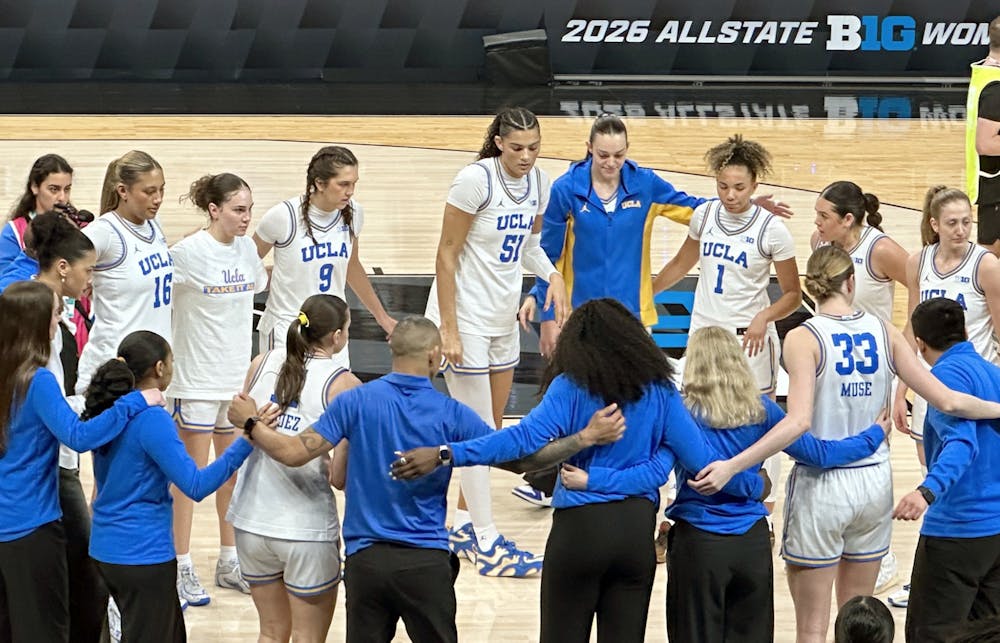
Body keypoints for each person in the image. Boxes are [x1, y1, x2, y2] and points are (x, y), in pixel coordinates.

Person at [393, 300, 773, 643]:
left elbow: (518, 442)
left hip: (579, 534)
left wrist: (447, 453)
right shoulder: (661, 391)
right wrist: (753, 485)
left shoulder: (570, 387)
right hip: (634, 540)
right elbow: (704, 465)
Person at [227, 315, 618, 643]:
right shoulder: (452, 412)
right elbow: (522, 462)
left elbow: (294, 453)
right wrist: (584, 438)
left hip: (366, 564)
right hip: (425, 565)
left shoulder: (355, 400)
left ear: (392, 351)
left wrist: (249, 423)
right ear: (434, 356)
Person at [688, 246, 1000, 643]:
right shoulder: (885, 330)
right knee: (859, 622)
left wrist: (733, 465)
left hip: (823, 486)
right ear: (851, 282)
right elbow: (950, 401)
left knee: (813, 629)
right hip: (873, 484)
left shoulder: (803, 337)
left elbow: (798, 422)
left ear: (811, 287)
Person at [573, 326, 884, 643]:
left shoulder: (681, 413)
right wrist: (874, 436)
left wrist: (592, 475)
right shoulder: (761, 409)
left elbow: (652, 472)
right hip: (752, 544)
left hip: (699, 545)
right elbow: (819, 454)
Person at [425, 106, 568, 576]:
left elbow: (529, 246)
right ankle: (487, 543)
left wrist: (552, 277)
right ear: (500, 143)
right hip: (464, 316)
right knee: (478, 432)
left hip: (502, 316)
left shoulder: (540, 182)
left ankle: (465, 522)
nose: (526, 156)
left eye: (534, 147)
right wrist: (447, 329)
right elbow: (446, 255)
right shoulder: (475, 181)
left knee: (494, 427)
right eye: (517, 148)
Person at [651, 134, 801, 547]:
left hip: (749, 341)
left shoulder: (773, 230)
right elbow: (684, 261)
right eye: (723, 186)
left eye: (739, 187)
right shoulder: (704, 215)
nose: (730, 195)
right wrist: (648, 293)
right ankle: (674, 510)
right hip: (704, 337)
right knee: (687, 420)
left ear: (754, 185)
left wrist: (764, 316)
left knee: (758, 423)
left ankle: (762, 515)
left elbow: (793, 294)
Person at [0, 281, 158, 643]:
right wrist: (134, 401)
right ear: (37, 323)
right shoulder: (36, 379)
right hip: (31, 527)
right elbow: (78, 436)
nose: (62, 320)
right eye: (56, 313)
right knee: (43, 629)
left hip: (5, 522)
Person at [86, 331, 255, 643]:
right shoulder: (152, 420)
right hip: (142, 555)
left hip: (104, 550)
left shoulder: (109, 411)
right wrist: (245, 441)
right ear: (160, 368)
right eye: (173, 360)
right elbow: (195, 484)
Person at [888, 185, 1000, 607]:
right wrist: (902, 387)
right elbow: (911, 330)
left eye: (967, 222)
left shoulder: (986, 265)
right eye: (952, 223)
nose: (961, 230)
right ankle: (930, 574)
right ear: (934, 224)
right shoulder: (919, 262)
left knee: (973, 475)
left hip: (974, 384)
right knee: (936, 472)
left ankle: (974, 572)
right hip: (931, 387)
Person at [227, 294, 359, 642]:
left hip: (250, 521)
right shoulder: (344, 384)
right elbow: (340, 478)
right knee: (307, 637)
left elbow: (243, 423)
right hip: (305, 529)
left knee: (270, 633)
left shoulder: (261, 362)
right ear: (337, 337)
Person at [167, 173, 268, 606]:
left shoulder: (246, 248)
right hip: (193, 379)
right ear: (214, 210)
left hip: (233, 381)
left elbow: (257, 287)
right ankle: (180, 566)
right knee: (188, 481)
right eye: (238, 210)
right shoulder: (186, 253)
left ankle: (229, 560)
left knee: (232, 474)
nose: (247, 219)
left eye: (249, 209)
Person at [6, 212, 107, 642]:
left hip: (20, 496)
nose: (90, 280)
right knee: (78, 580)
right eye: (87, 270)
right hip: (45, 488)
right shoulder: (36, 366)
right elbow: (74, 432)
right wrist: (126, 402)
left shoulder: (13, 341)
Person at [810, 180, 910, 593]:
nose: (816, 223)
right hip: (832, 360)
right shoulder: (821, 243)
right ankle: (837, 539)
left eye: (823, 216)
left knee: (873, 450)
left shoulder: (880, 249)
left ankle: (880, 554)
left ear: (847, 220)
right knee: (830, 441)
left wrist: (901, 343)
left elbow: (921, 290)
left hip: (872, 365)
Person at [893, 297, 1000, 642]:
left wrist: (927, 491)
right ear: (965, 331)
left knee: (931, 634)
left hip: (957, 530)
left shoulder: (942, 378)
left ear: (920, 344)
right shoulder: (993, 373)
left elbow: (960, 444)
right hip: (996, 532)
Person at [254, 145, 395, 361]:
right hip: (288, 327)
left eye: (354, 184)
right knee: (285, 394)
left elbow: (351, 265)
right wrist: (262, 277)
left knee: (334, 394)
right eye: (343, 184)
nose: (350, 191)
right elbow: (245, 261)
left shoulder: (354, 212)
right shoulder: (283, 216)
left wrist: (382, 317)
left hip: (333, 331)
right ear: (319, 183)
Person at [77, 150, 170, 395]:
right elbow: (61, 262)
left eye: (161, 189)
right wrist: (79, 282)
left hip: (149, 368)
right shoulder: (105, 232)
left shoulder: (154, 225)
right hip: (113, 369)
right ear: (123, 191)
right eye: (149, 192)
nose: (158, 198)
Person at [0, 153, 74, 272]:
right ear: (35, 187)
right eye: (54, 189)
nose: (62, 197)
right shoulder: (13, 232)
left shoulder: (79, 226)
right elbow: (5, 281)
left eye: (67, 189)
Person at [971, 17, 1000, 256]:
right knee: (990, 258)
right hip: (994, 184)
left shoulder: (984, 72)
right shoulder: (996, 86)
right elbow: (986, 142)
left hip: (989, 182)